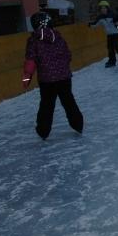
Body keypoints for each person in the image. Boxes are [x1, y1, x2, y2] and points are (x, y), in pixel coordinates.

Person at [22, 11, 84, 140]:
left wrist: (26, 78)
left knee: (47, 105)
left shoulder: (33, 40)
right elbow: (68, 55)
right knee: (68, 101)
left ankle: (43, 131)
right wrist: (62, 68)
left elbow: (30, 62)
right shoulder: (58, 37)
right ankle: (78, 125)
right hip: (64, 78)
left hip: (47, 80)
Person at [88, 0, 118, 67]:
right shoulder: (100, 17)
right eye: (101, 8)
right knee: (110, 48)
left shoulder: (113, 14)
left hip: (116, 32)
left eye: (104, 8)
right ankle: (112, 61)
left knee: (116, 45)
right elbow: (96, 23)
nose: (103, 10)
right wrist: (90, 25)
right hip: (109, 34)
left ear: (107, 8)